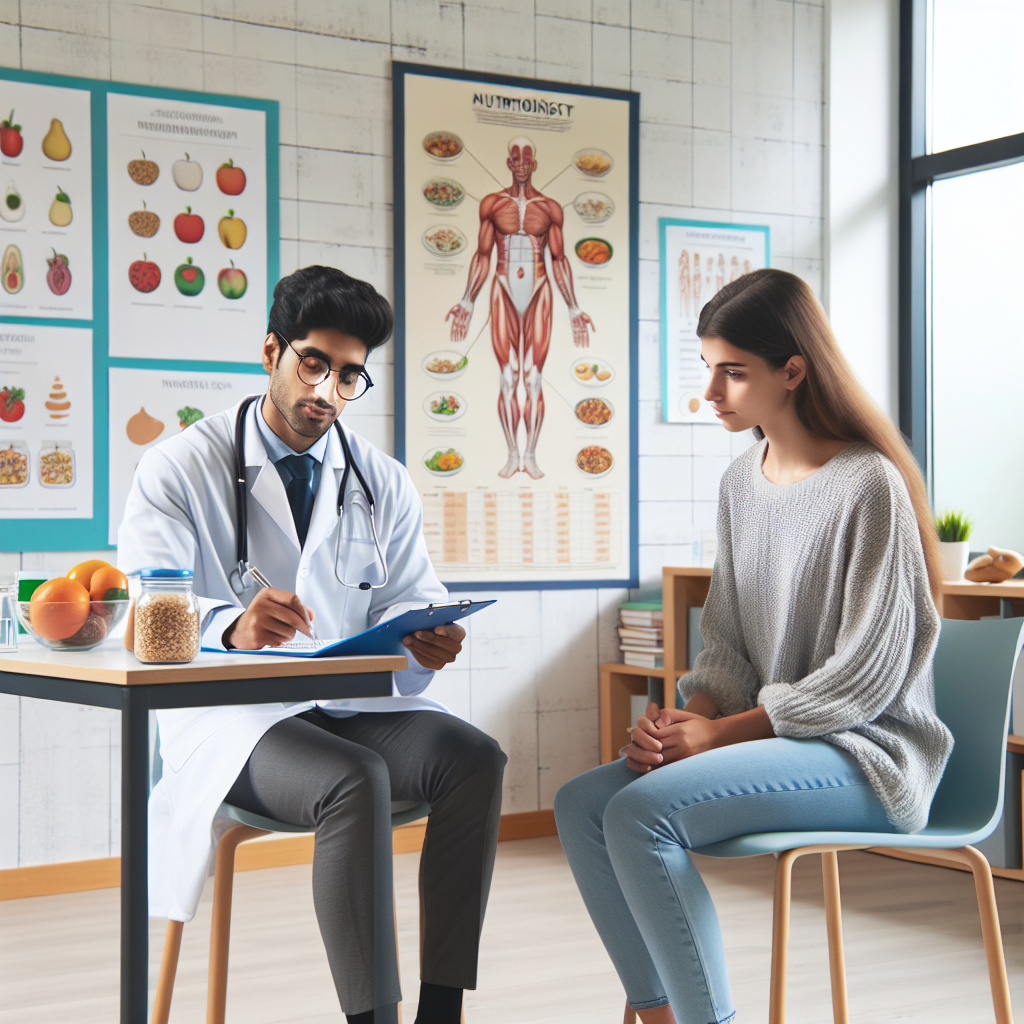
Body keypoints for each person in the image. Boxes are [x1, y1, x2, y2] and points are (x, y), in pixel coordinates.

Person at [553, 268, 953, 1024]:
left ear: (792, 370)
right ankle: (661, 1013)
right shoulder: (743, 482)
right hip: (776, 742)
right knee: (581, 803)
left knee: (641, 816)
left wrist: (720, 734)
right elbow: (729, 642)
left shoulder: (869, 485)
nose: (713, 393)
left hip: (866, 756)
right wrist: (685, 723)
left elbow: (863, 680)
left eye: (733, 372)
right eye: (709, 368)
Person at [118, 266, 507, 1024]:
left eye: (350, 375)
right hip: (229, 720)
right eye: (313, 363)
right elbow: (146, 608)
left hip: (343, 705)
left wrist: (428, 635)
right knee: (352, 779)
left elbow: (409, 594)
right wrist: (229, 625)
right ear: (272, 351)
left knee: (474, 759)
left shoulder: (381, 479)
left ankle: (441, 1011)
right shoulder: (179, 466)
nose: (327, 391)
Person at [446, 136, 594, 479]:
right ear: (510, 163)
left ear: (534, 163)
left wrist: (573, 308)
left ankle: (531, 454)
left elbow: (558, 260)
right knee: (509, 377)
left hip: (540, 289)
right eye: (516, 157)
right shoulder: (493, 205)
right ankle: (513, 453)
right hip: (503, 288)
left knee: (533, 378)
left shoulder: (550, 208)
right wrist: (468, 300)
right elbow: (483, 255)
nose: (522, 162)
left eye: (527, 157)